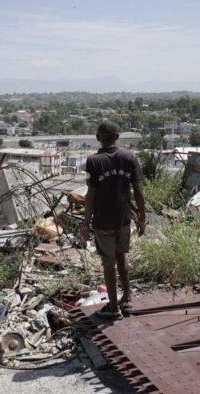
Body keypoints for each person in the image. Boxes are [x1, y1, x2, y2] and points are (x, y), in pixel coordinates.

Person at [81, 121, 146, 320]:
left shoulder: (94, 161)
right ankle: (128, 299)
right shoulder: (130, 157)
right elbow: (139, 191)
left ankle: (114, 308)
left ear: (97, 138)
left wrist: (85, 223)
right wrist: (142, 218)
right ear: (117, 137)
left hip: (103, 222)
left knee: (108, 265)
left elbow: (90, 196)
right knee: (122, 258)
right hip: (124, 220)